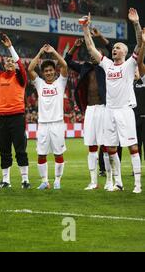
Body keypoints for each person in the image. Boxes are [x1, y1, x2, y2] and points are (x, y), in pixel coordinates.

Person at [82, 12, 145, 193]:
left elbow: (140, 45)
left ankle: (138, 185)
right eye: (114, 48)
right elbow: (91, 48)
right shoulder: (107, 64)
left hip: (124, 111)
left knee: (133, 146)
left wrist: (136, 24)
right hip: (109, 111)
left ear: (125, 52)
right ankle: (118, 182)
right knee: (110, 148)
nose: (115, 49)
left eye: (118, 48)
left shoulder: (129, 65)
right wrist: (86, 29)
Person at [64, 38, 113, 190]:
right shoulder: (85, 67)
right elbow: (67, 60)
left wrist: (102, 39)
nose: (92, 55)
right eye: (90, 53)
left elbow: (113, 52)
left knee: (106, 145)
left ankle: (110, 181)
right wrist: (74, 47)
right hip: (90, 110)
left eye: (95, 53)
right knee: (91, 145)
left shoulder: (107, 67)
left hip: (104, 108)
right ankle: (93, 182)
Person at [0, 32, 30, 189]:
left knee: (20, 149)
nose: (10, 62)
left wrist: (10, 47)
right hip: (3, 119)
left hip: (17, 117)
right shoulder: (0, 76)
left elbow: (20, 62)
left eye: (12, 61)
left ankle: (25, 180)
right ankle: (6, 180)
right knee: (4, 150)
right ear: (4, 65)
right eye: (7, 61)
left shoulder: (20, 77)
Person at [28, 44, 69, 190]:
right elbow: (30, 69)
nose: (49, 72)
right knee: (41, 154)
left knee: (58, 154)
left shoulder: (60, 82)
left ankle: (57, 180)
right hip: (43, 124)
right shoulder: (39, 83)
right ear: (43, 73)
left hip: (57, 123)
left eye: (51, 70)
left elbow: (64, 65)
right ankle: (45, 181)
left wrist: (53, 52)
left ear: (54, 71)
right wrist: (40, 52)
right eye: (46, 71)